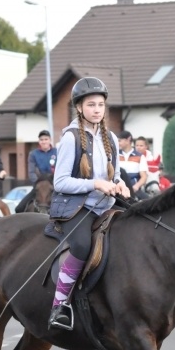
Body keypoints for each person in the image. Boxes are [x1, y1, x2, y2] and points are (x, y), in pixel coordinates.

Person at [48, 77, 129, 330]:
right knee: (82, 246)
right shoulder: (71, 138)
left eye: (101, 105)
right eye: (91, 105)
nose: (97, 110)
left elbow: (113, 175)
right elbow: (60, 182)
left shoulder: (111, 139)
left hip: (106, 205)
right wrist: (94, 184)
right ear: (80, 108)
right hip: (76, 208)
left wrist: (119, 184)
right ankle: (59, 305)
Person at [117, 130, 148, 195]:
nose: (118, 143)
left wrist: (136, 186)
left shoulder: (140, 156)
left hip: (134, 191)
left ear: (128, 140)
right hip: (119, 191)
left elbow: (144, 176)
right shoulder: (116, 155)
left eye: (120, 141)